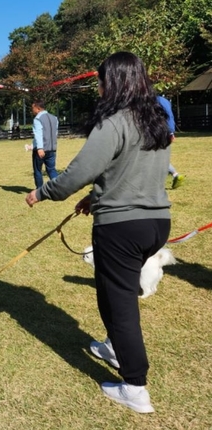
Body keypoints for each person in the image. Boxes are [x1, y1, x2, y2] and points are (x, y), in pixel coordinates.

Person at [25, 52, 171, 414]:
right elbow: (131, 172)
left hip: (122, 227)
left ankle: (135, 387)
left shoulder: (115, 122)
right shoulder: (155, 121)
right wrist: (96, 197)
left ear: (116, 82)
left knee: (119, 303)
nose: (100, 87)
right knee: (113, 294)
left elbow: (78, 171)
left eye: (102, 80)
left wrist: (42, 192)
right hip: (156, 222)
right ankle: (112, 346)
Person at [157, 95, 186, 189]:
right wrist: (171, 132)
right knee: (158, 156)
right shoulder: (164, 100)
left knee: (155, 156)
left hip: (158, 131)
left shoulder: (152, 100)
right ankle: (175, 174)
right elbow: (170, 116)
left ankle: (175, 174)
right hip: (165, 131)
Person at [31, 100, 59, 188]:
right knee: (51, 170)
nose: (32, 110)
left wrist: (39, 148)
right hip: (52, 148)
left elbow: (38, 134)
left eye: (33, 108)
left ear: (38, 108)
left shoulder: (38, 119)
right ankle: (58, 188)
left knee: (38, 170)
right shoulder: (54, 118)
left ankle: (39, 190)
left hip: (42, 149)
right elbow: (55, 133)